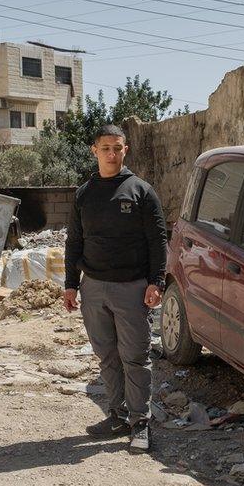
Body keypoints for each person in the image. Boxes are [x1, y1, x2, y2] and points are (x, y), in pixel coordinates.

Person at [63, 124, 167, 454]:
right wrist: (70, 284)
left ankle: (141, 423)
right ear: (94, 151)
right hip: (93, 287)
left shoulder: (141, 190)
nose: (112, 153)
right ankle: (117, 416)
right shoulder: (84, 194)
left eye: (117, 148)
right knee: (107, 355)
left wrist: (157, 281)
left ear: (126, 150)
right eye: (105, 148)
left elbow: (158, 240)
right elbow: (74, 241)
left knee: (134, 357)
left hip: (132, 289)